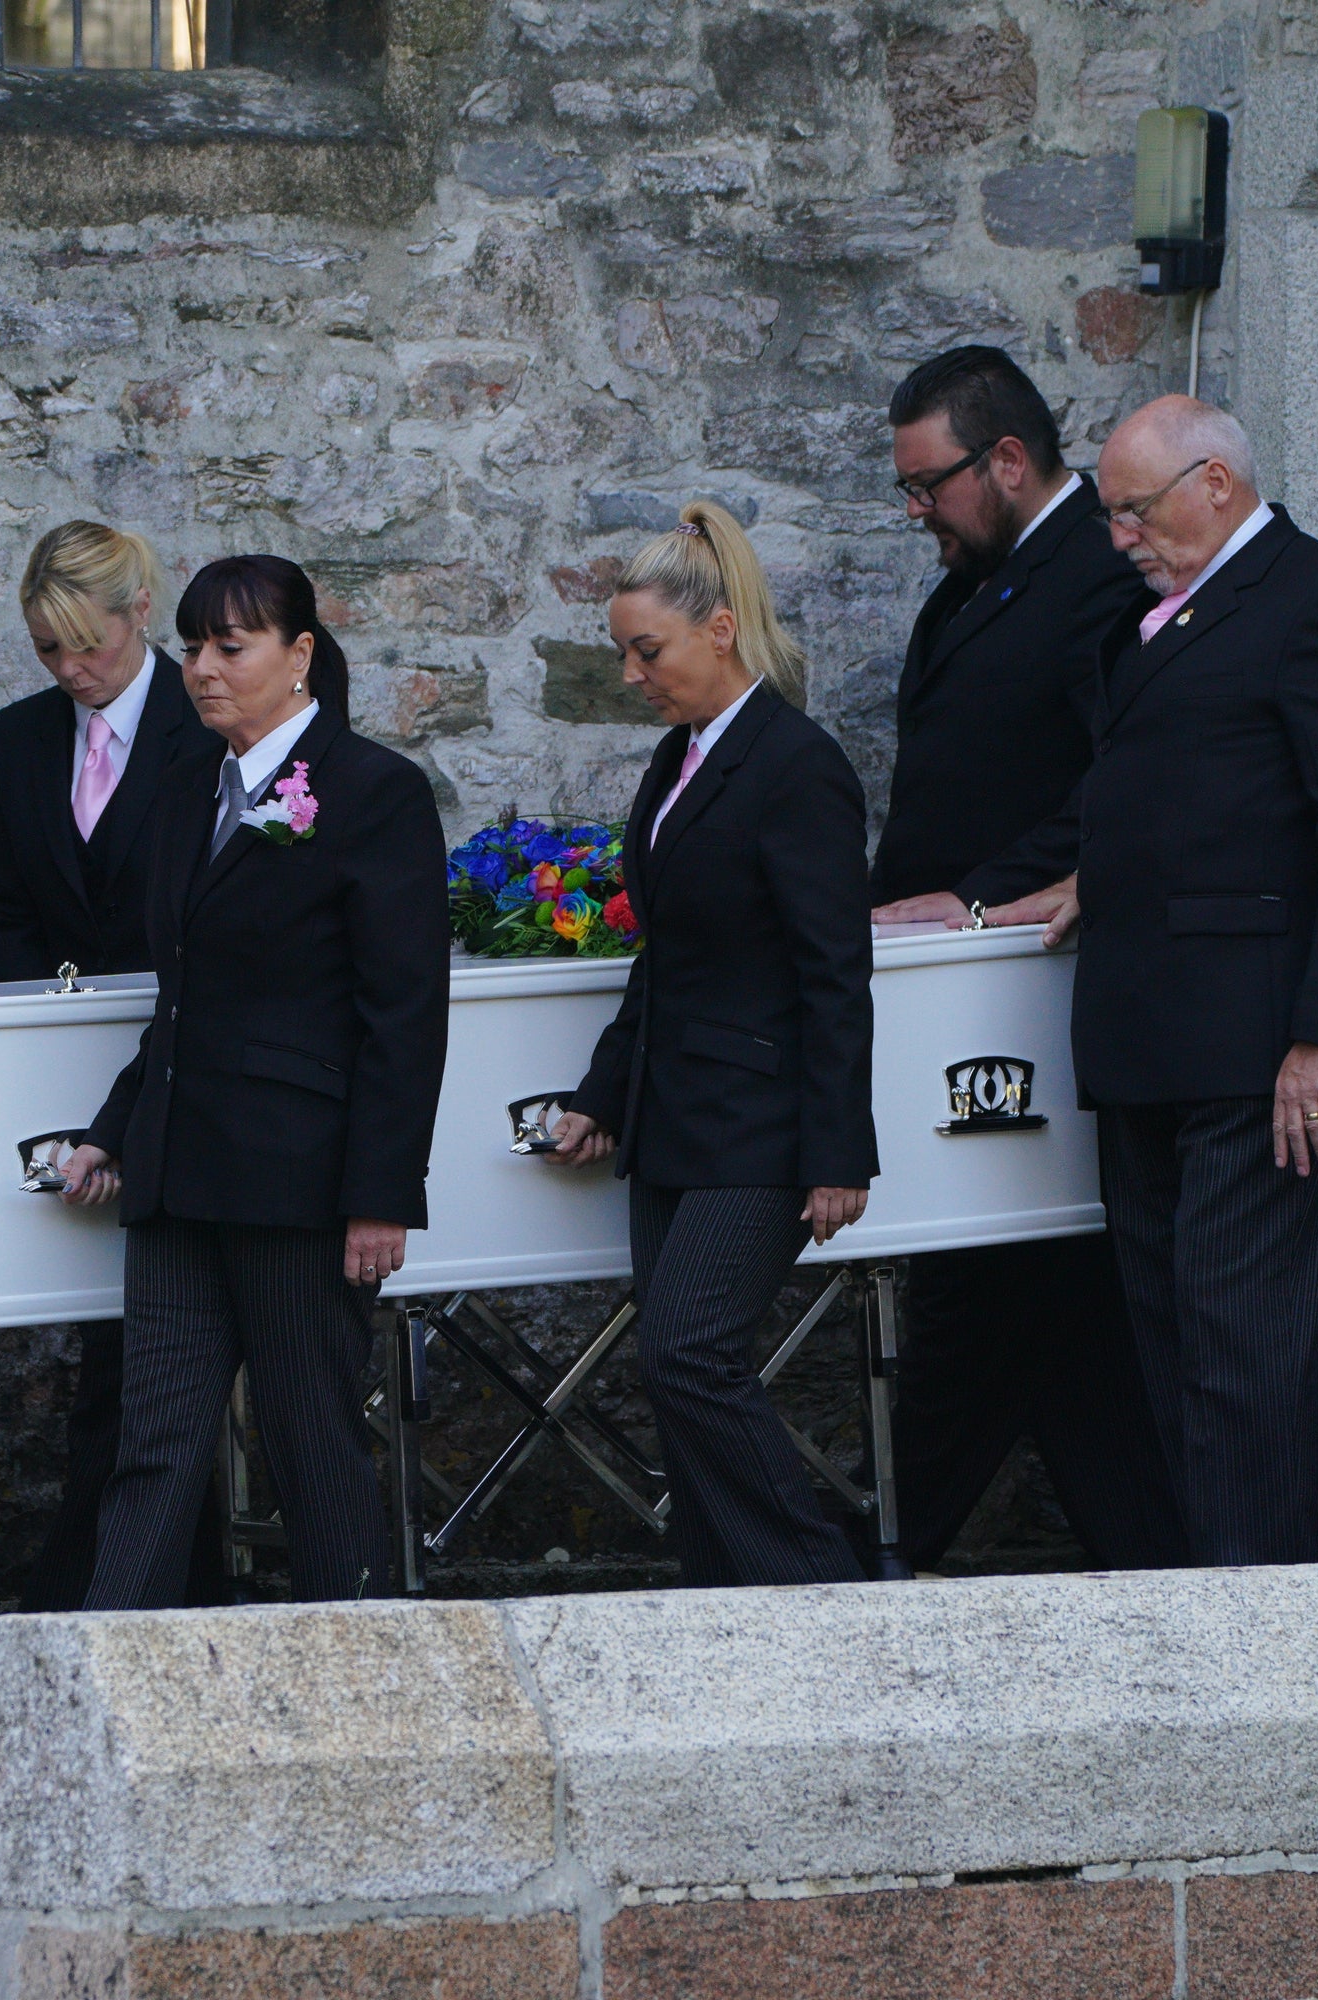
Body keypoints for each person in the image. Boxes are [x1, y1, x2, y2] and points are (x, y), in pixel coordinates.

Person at [1001, 395, 1318, 1566]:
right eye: (1111, 514)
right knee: (1172, 1337)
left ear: (1217, 486)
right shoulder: (1156, 621)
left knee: (1242, 1343)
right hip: (1150, 1037)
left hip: (1268, 1045)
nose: (1119, 535)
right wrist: (1101, 872)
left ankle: (1264, 1625)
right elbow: (1201, 790)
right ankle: (1210, 1602)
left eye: (1134, 510)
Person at [54, 556, 447, 1608]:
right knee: (156, 1435)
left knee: (310, 1433)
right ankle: (110, 1671)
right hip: (180, 1169)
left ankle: (354, 1661)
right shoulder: (189, 792)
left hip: (297, 1178)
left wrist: (381, 1190)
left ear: (300, 654)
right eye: (191, 647)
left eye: (231, 646)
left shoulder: (374, 789)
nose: (202, 668)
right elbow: (181, 998)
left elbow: (404, 1011)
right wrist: (115, 1127)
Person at [860, 346, 1189, 1575]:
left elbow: (1120, 783)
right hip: (958, 995)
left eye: (928, 483)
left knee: (1007, 1300)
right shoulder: (970, 587)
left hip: (1028, 990)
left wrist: (985, 895)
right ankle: (1155, 1558)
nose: (915, 511)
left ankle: (882, 1558)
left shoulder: (1096, 585)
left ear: (1006, 459)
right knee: (1039, 1315)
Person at [544, 503, 874, 1590]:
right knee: (670, 1364)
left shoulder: (797, 764)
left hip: (760, 1124)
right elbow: (666, 951)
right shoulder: (677, 762)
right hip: (671, 1118)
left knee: (689, 1352)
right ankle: (729, 1603)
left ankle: (820, 1584)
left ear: (721, 628)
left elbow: (834, 968)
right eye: (625, 652)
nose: (635, 674)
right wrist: (602, 1089)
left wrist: (836, 1149)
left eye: (651, 650)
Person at [0, 520, 231, 1615]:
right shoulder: (22, 738)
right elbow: (7, 903)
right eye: (47, 650)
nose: (72, 671)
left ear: (140, 614)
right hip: (67, 1063)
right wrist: (47, 1028)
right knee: (114, 1347)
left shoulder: (205, 725)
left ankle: (113, 1592)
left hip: (190, 1057)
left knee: (156, 1359)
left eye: (89, 646)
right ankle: (139, 1589)